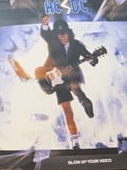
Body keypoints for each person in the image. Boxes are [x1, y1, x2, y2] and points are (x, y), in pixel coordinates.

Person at [34, 16, 98, 149]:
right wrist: (45, 24)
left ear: (69, 33)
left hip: (73, 75)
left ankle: (84, 100)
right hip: (57, 80)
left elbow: (90, 58)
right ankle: (75, 142)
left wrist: (92, 59)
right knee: (67, 111)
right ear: (55, 36)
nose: (63, 37)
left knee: (74, 85)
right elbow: (45, 34)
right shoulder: (52, 43)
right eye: (59, 35)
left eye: (65, 34)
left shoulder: (77, 45)